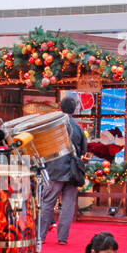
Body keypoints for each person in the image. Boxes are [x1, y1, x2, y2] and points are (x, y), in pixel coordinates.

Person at [38, 93, 87, 245]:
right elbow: (83, 150)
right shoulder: (78, 128)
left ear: (60, 108)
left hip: (55, 169)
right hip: (73, 171)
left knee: (48, 203)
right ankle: (63, 238)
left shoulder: (53, 126)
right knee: (68, 205)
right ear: (74, 110)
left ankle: (41, 235)